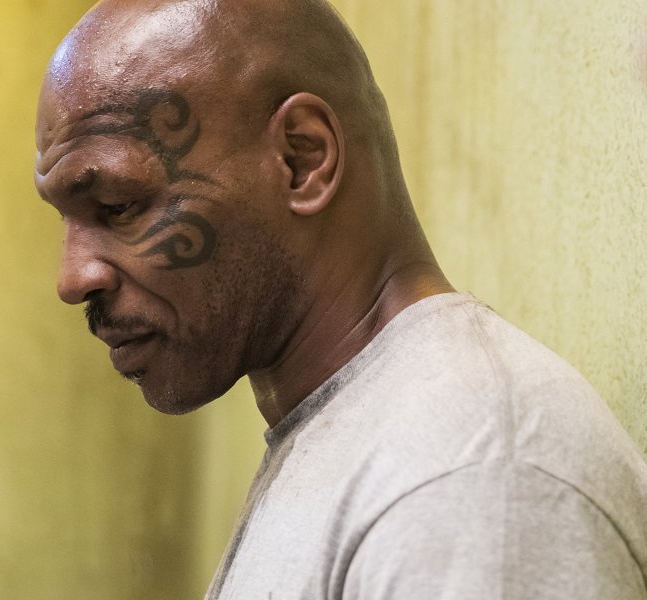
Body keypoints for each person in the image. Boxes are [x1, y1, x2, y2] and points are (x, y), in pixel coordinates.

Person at [33, 0, 647, 597]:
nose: (72, 278)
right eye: (66, 219)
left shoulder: (469, 478)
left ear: (302, 159)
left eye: (118, 206)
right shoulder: (379, 444)